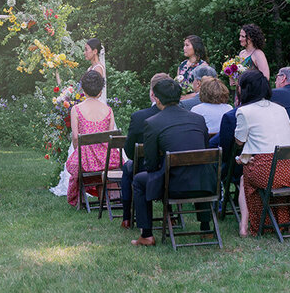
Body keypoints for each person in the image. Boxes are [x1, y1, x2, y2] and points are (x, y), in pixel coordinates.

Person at [129, 78, 216, 247]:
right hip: (205, 183)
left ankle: (146, 235)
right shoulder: (198, 119)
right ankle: (206, 229)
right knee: (198, 168)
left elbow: (151, 163)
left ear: (157, 99)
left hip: (174, 186)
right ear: (179, 97)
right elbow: (204, 151)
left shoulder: (152, 123)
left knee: (139, 181)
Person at [234, 70, 290, 237]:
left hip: (267, 172)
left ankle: (244, 225)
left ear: (246, 89)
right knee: (266, 176)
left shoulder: (244, 111)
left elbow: (239, 141)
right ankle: (281, 221)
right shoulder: (280, 109)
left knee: (244, 179)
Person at [117, 72, 171, 225]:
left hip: (145, 169)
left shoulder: (139, 117)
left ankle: (127, 217)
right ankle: (172, 216)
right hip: (173, 170)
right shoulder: (180, 116)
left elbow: (129, 152)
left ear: (153, 93)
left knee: (128, 168)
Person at [65, 69, 120, 208]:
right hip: (106, 159)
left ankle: (83, 199)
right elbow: (110, 137)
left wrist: (82, 152)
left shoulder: (76, 109)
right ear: (100, 91)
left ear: (83, 89)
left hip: (86, 161)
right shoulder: (108, 110)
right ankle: (103, 196)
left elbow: (76, 139)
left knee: (74, 163)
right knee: (102, 160)